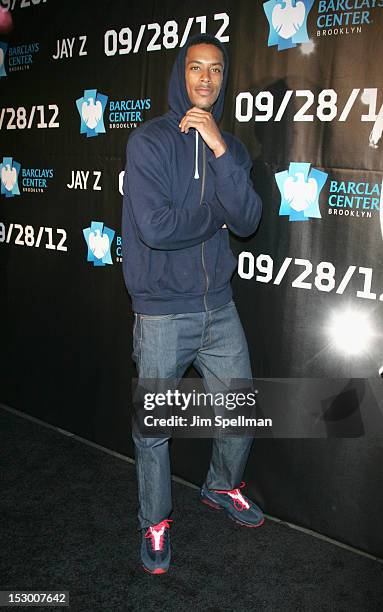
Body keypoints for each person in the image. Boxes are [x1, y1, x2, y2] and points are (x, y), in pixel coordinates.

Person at [122, 33, 263, 575]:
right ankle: (154, 523)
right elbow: (156, 229)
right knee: (154, 426)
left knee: (241, 407)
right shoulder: (151, 142)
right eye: (196, 68)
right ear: (181, 75)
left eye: (216, 71)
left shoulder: (234, 147)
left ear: (223, 81)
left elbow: (247, 220)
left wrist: (221, 149)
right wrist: (216, 218)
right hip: (161, 309)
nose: (205, 78)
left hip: (218, 307)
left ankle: (222, 487)